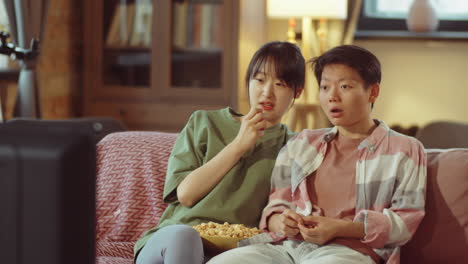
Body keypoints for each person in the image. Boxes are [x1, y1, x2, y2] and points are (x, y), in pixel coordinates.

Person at [208, 45, 427, 264]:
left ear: (373, 91)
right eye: (324, 87)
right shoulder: (301, 144)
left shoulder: (404, 149)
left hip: (349, 253)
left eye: (345, 86)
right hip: (285, 249)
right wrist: (282, 222)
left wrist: (341, 228)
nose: (332, 96)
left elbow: (405, 222)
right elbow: (276, 208)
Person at [134, 41, 305, 264]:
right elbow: (186, 194)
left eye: (280, 84)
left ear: (297, 92)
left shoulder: (293, 145)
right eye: (259, 80)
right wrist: (239, 145)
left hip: (235, 253)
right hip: (173, 243)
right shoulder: (204, 123)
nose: (266, 92)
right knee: (185, 236)